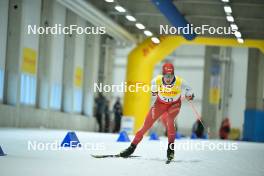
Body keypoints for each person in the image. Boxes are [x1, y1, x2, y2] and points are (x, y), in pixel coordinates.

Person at [119, 62, 194, 161]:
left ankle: (170, 150)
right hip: (160, 104)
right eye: (166, 76)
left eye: (170, 76)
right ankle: (132, 147)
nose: (168, 78)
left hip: (174, 105)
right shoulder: (156, 80)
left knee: (170, 121)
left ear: (173, 75)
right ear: (163, 75)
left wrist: (190, 95)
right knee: (146, 125)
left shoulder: (180, 81)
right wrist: (154, 90)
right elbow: (152, 90)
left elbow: (190, 90)